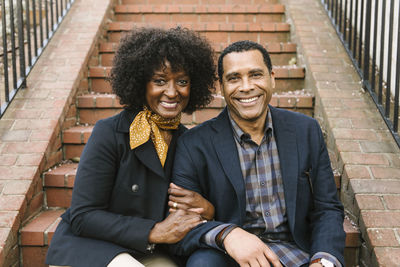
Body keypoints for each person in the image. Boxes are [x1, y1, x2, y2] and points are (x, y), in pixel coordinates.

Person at [46, 27, 217, 267]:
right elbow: (83, 216)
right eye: (159, 81)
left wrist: (207, 208)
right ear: (140, 83)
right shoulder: (110, 132)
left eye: (182, 81)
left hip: (143, 251)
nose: (172, 92)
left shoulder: (187, 141)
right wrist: (154, 231)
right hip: (89, 247)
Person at [169, 40, 346, 267]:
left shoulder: (305, 130)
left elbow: (327, 208)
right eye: (234, 78)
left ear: (272, 78)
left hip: (295, 254)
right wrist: (227, 234)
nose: (246, 87)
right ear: (221, 87)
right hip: (229, 256)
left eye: (255, 75)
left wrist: (324, 260)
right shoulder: (193, 144)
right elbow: (181, 226)